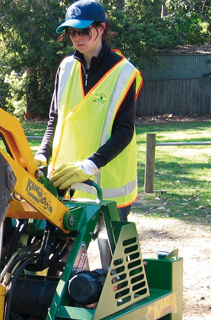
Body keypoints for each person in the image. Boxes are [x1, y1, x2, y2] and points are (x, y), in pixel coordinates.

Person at [34, 0, 142, 222]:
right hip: (65, 184)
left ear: (101, 28)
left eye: (83, 30)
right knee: (62, 257)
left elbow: (124, 131)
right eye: (72, 32)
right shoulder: (66, 67)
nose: (77, 38)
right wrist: (42, 154)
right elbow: (54, 119)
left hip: (109, 189)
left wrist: (91, 165)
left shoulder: (125, 73)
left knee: (112, 256)